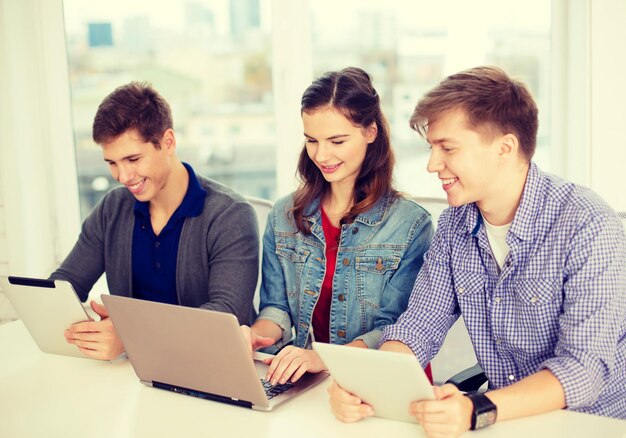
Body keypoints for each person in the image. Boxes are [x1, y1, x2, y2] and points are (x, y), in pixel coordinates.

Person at [328, 66, 626, 434]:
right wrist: (370, 387)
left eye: (447, 148)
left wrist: (477, 408)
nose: (432, 164)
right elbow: (419, 327)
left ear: (505, 148)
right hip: (498, 419)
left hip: (587, 423)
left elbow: (583, 370)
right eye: (431, 147)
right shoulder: (455, 224)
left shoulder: (587, 224)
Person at [241, 67, 434, 386]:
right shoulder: (283, 215)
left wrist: (326, 358)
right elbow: (276, 308)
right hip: (314, 380)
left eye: (337, 140)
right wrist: (256, 336)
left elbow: (395, 330)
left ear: (370, 132)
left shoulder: (411, 226)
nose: (322, 154)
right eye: (312, 140)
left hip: (383, 381)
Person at [53, 82, 259, 361]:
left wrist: (130, 335)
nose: (123, 176)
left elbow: (225, 314)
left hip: (211, 366)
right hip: (140, 370)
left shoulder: (230, 214)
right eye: (112, 163)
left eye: (133, 159)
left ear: (168, 142)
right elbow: (64, 285)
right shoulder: (113, 208)